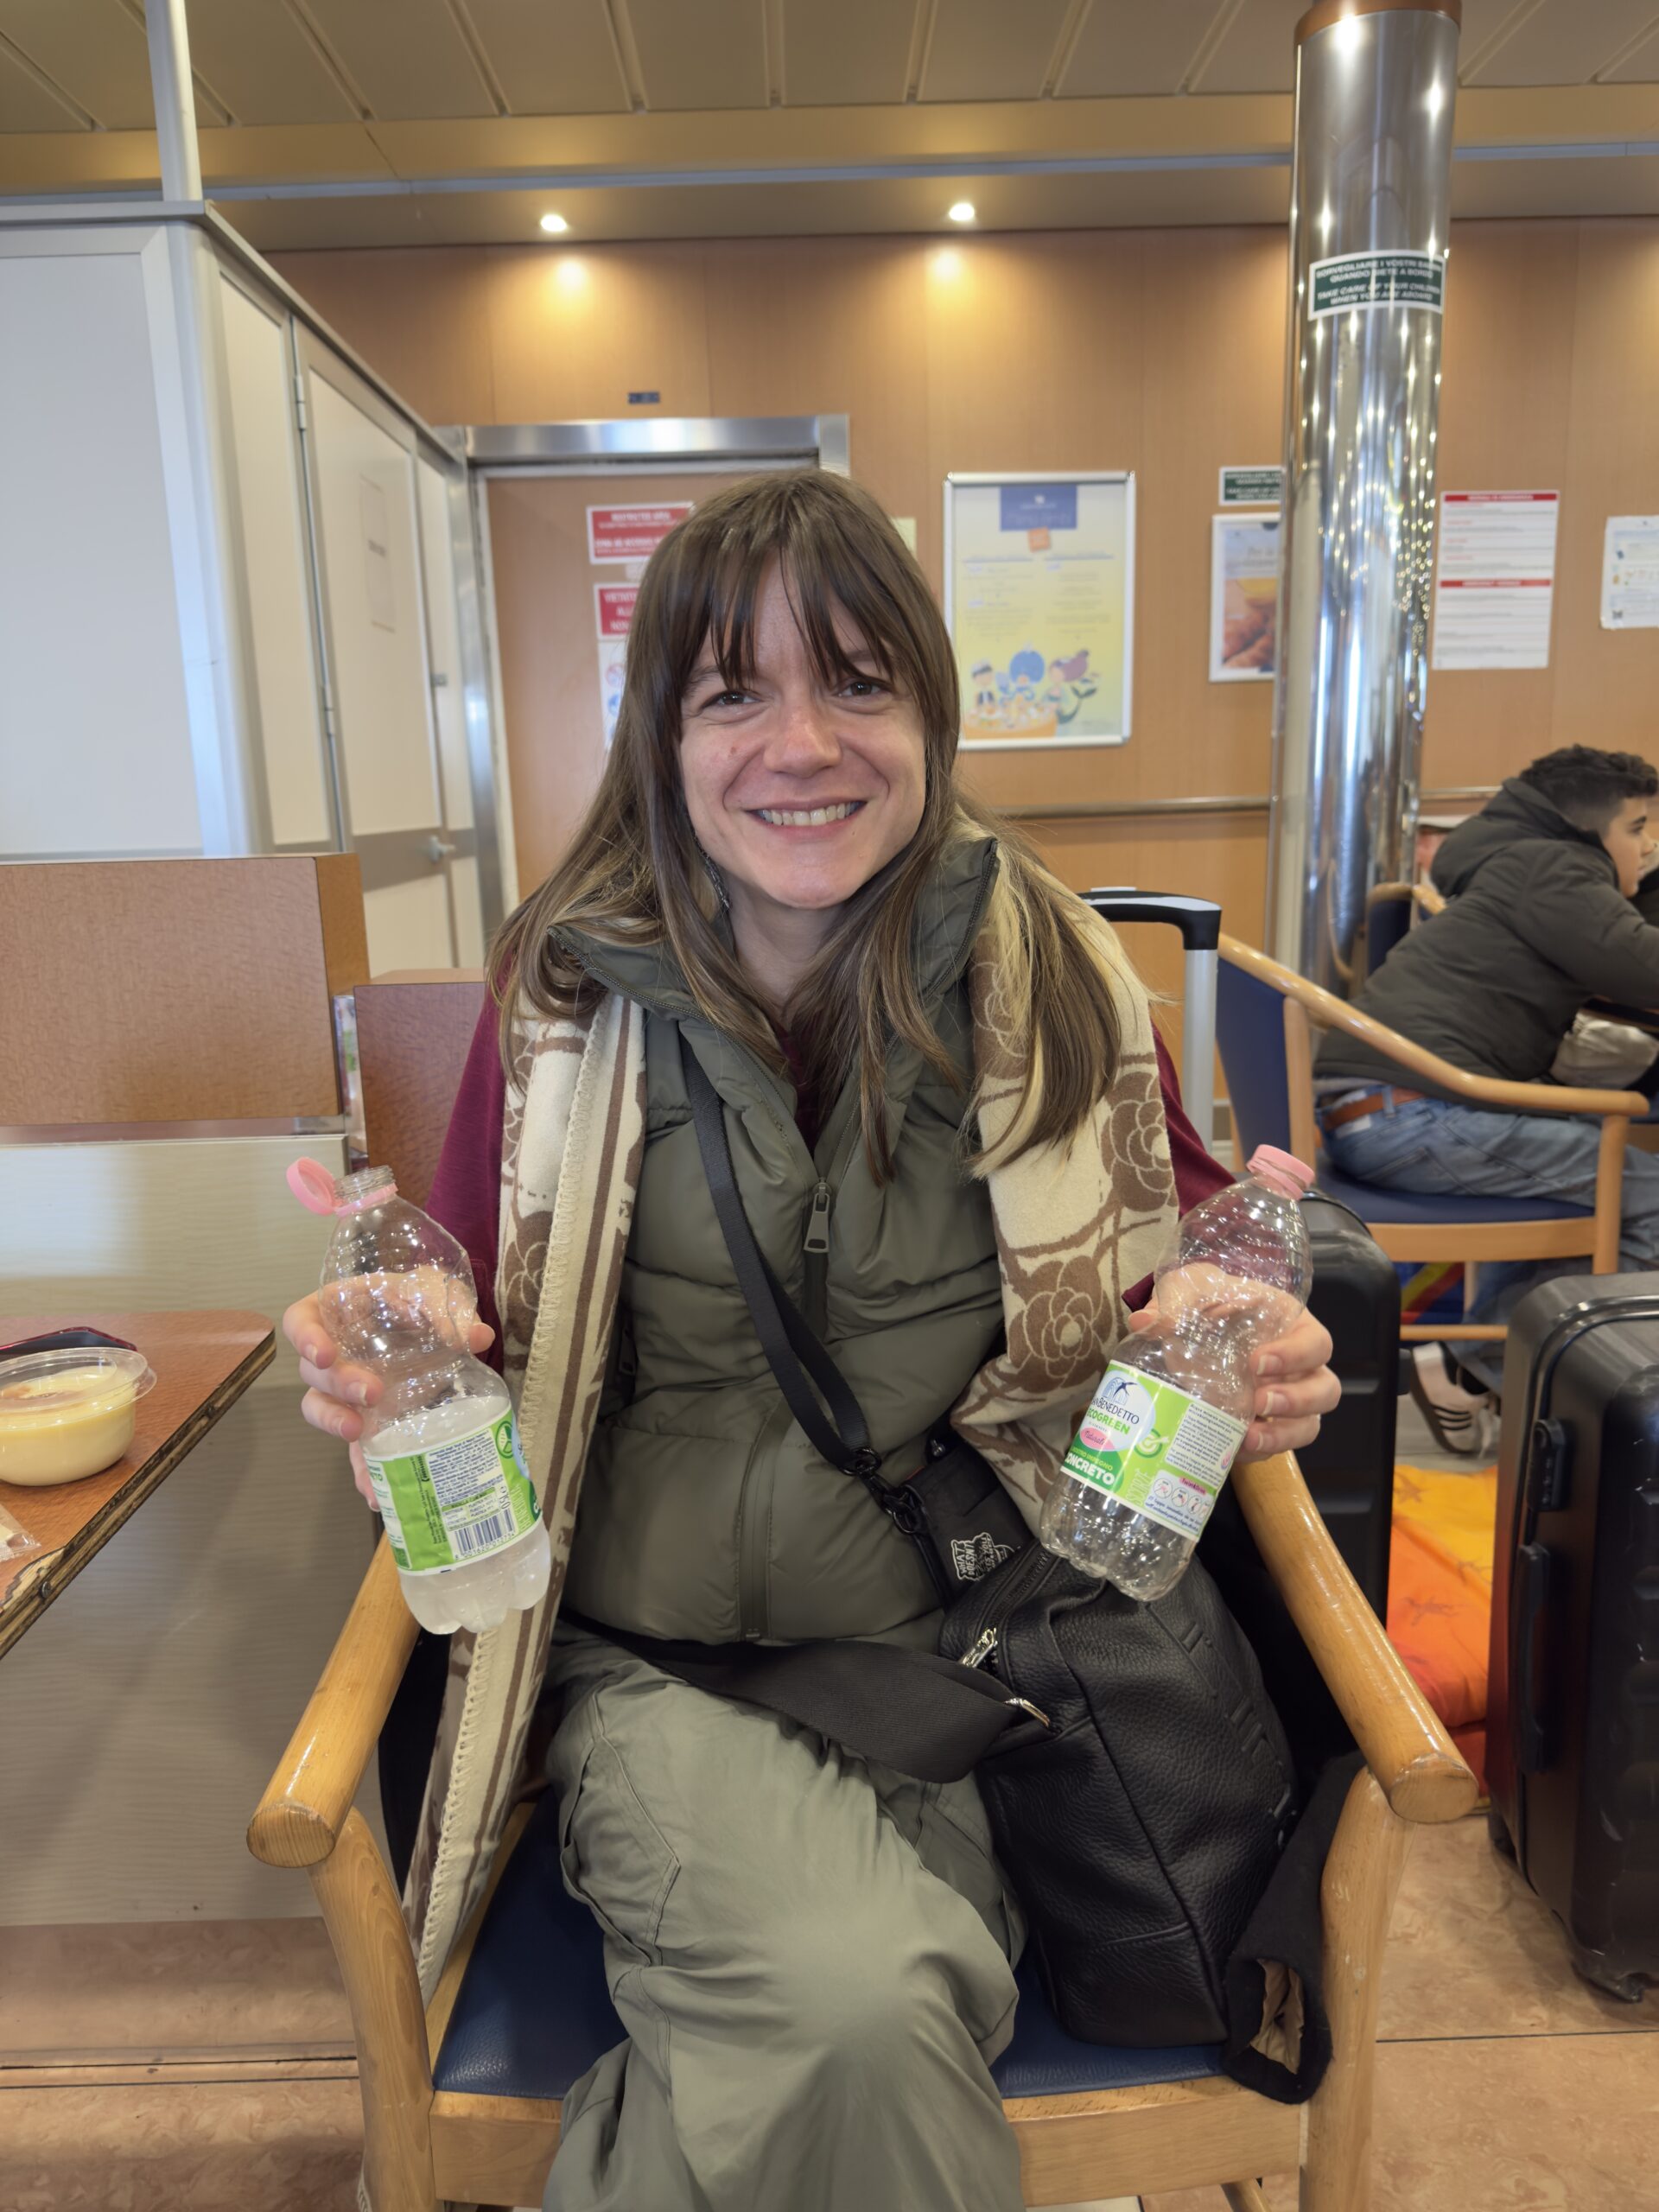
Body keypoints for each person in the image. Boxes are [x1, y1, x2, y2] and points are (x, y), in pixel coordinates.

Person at [284, 471, 1338, 2212]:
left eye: (858, 681)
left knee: (860, 2001)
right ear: (665, 737)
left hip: (988, 1653)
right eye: (734, 694)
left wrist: (1264, 1331)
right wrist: (378, 1339)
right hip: (661, 1660)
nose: (802, 743)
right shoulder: (561, 999)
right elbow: (458, 1298)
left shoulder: (1064, 978)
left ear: (927, 710)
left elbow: (1190, 1285)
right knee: (858, 2007)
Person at [1316, 747, 1659, 1446]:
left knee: (1583, 1178)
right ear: (1587, 831)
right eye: (1639, 826)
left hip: (1383, 1110)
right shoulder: (1556, 870)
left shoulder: (1519, 864)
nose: (1651, 845)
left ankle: (1487, 1362)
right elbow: (1644, 967)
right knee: (1647, 1194)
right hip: (1413, 1117)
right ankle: (1531, 1373)